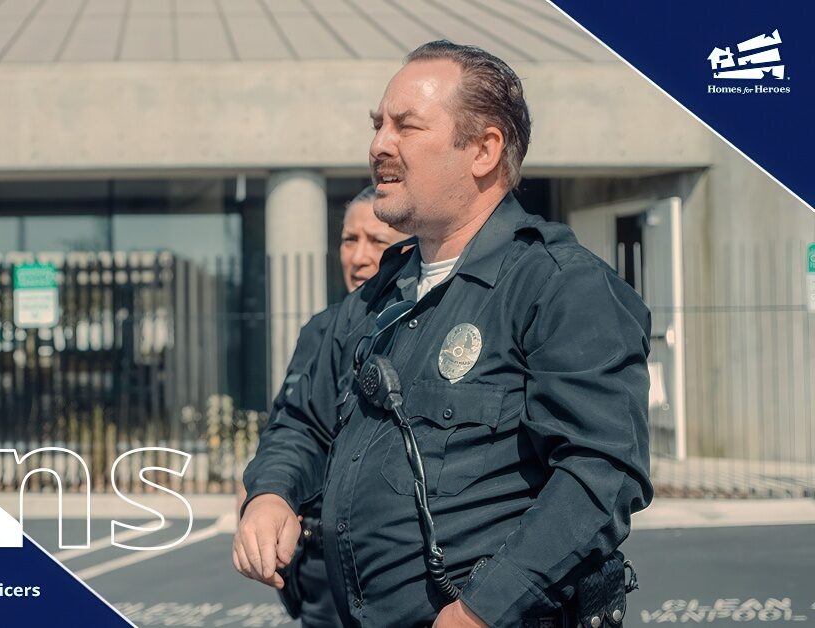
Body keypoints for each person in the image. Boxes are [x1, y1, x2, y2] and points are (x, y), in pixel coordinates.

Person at [234, 40, 652, 627]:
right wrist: (272, 493)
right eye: (378, 125)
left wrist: (482, 611)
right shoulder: (376, 299)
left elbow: (599, 476)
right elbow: (303, 423)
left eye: (406, 126)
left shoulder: (559, 288)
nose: (379, 144)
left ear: (483, 150)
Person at [240, 186, 409, 626]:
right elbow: (294, 427)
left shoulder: (419, 325)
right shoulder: (323, 330)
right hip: (318, 570)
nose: (358, 256)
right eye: (349, 240)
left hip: (392, 572)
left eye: (376, 241)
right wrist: (268, 490)